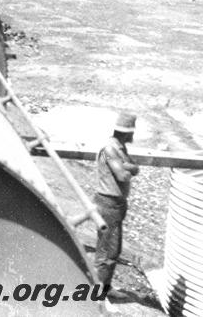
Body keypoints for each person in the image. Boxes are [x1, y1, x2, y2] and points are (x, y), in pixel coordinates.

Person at [94, 112, 139, 298]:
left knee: (113, 249)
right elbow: (123, 175)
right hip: (108, 203)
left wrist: (128, 167)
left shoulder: (120, 149)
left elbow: (134, 168)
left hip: (117, 203)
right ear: (127, 133)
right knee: (107, 251)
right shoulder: (110, 149)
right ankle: (96, 294)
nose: (132, 136)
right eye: (131, 132)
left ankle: (105, 288)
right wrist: (128, 168)